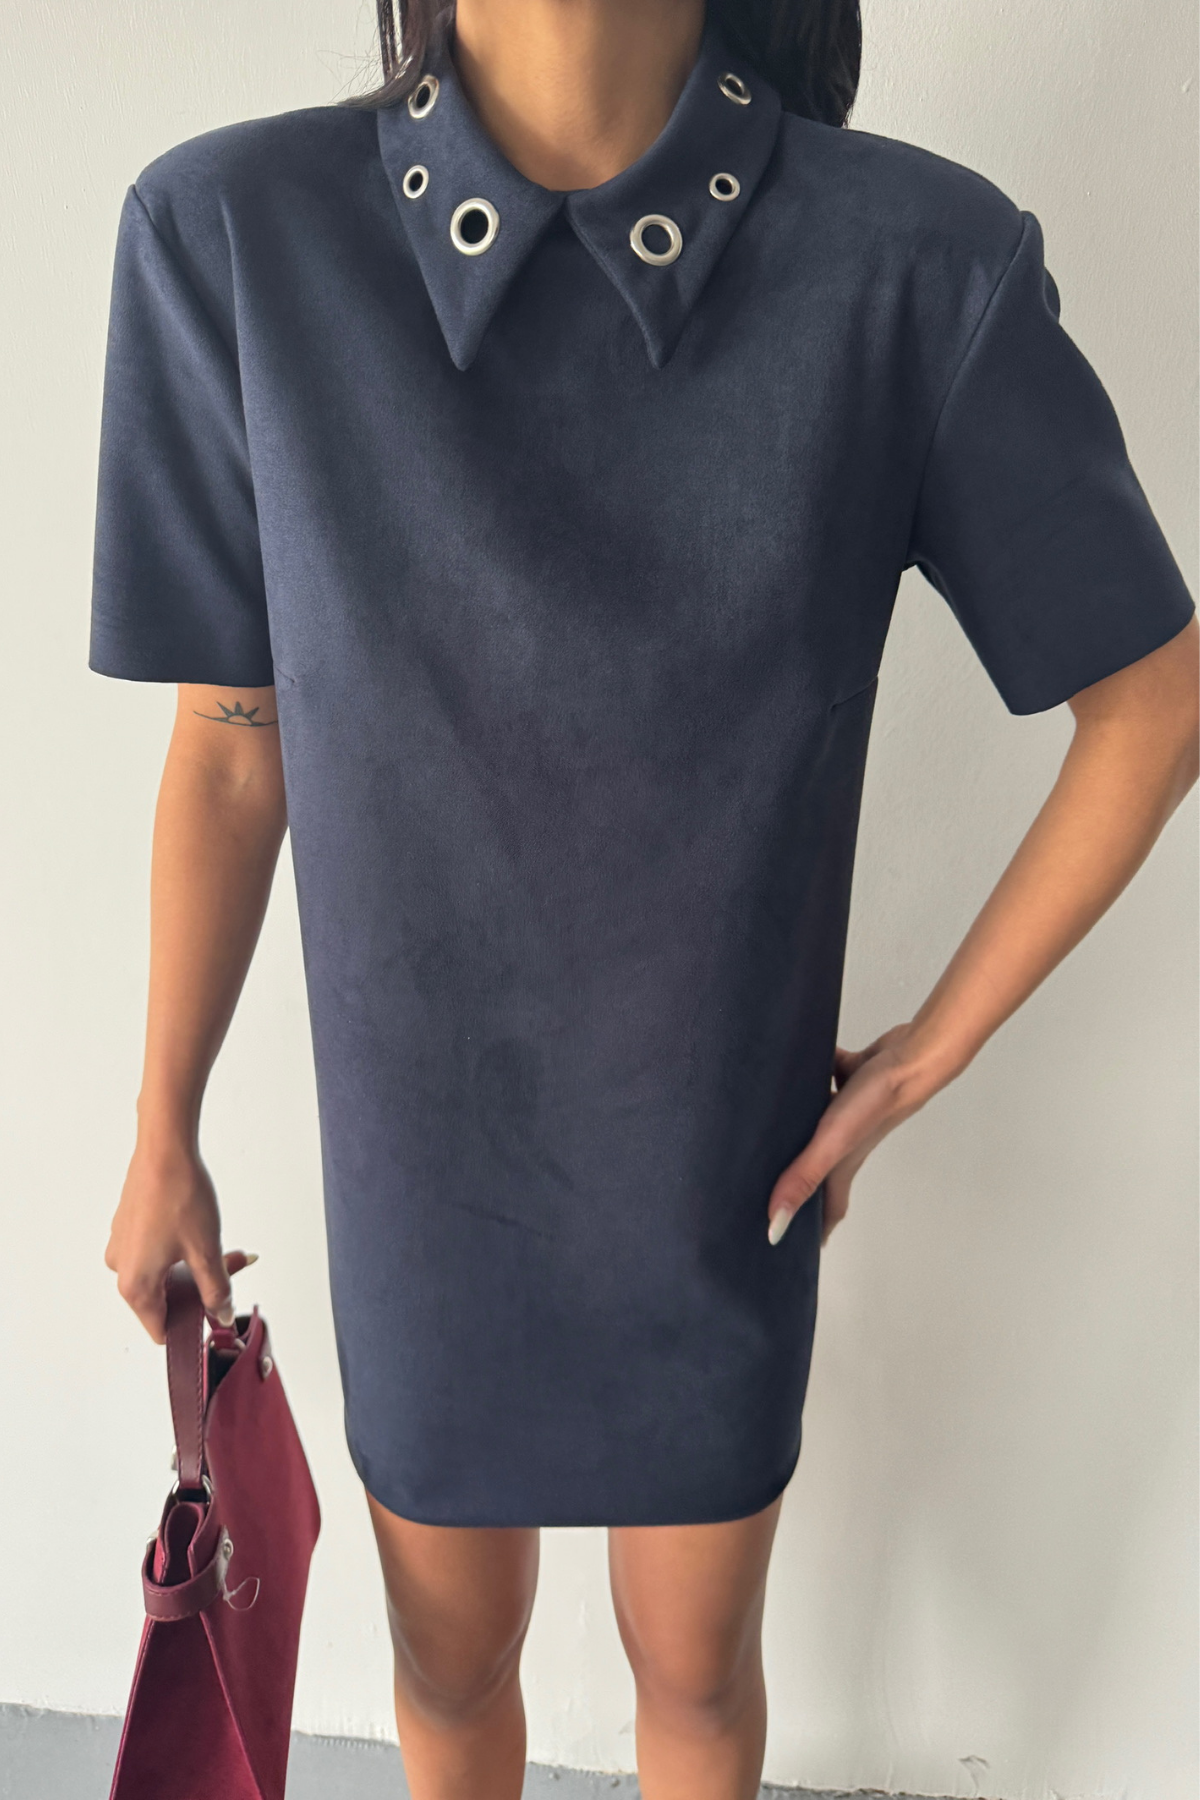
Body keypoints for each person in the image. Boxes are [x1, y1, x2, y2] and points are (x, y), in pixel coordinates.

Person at [91, 2, 1197, 1796]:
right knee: (446, 1663)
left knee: (694, 1668)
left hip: (717, 1171)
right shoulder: (232, 238)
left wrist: (916, 1065)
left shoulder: (914, 264)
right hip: (423, 1170)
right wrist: (163, 1128)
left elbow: (1153, 701)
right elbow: (230, 741)